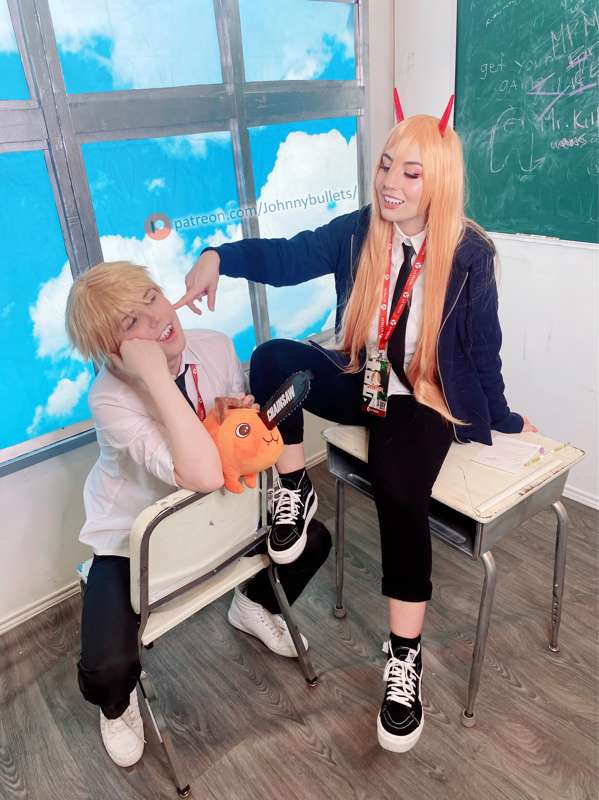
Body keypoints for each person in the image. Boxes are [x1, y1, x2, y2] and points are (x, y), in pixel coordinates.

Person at [175, 99, 537, 754]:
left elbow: (484, 346)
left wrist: (503, 416)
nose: (390, 183)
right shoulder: (360, 230)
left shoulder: (470, 253)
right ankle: (296, 490)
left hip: (421, 398)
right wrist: (216, 255)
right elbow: (289, 256)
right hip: (361, 378)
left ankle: (404, 659)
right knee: (272, 358)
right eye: (385, 165)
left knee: (399, 490)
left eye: (411, 173)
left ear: (440, 181)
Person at [65, 261, 331, 768]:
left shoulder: (214, 346)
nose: (157, 317)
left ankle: (252, 607)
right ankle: (118, 708)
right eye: (131, 323)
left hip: (216, 517)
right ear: (111, 351)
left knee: (312, 541)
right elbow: (201, 473)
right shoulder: (109, 399)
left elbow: (226, 456)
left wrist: (236, 420)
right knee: (106, 670)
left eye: (151, 297)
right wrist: (153, 375)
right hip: (133, 540)